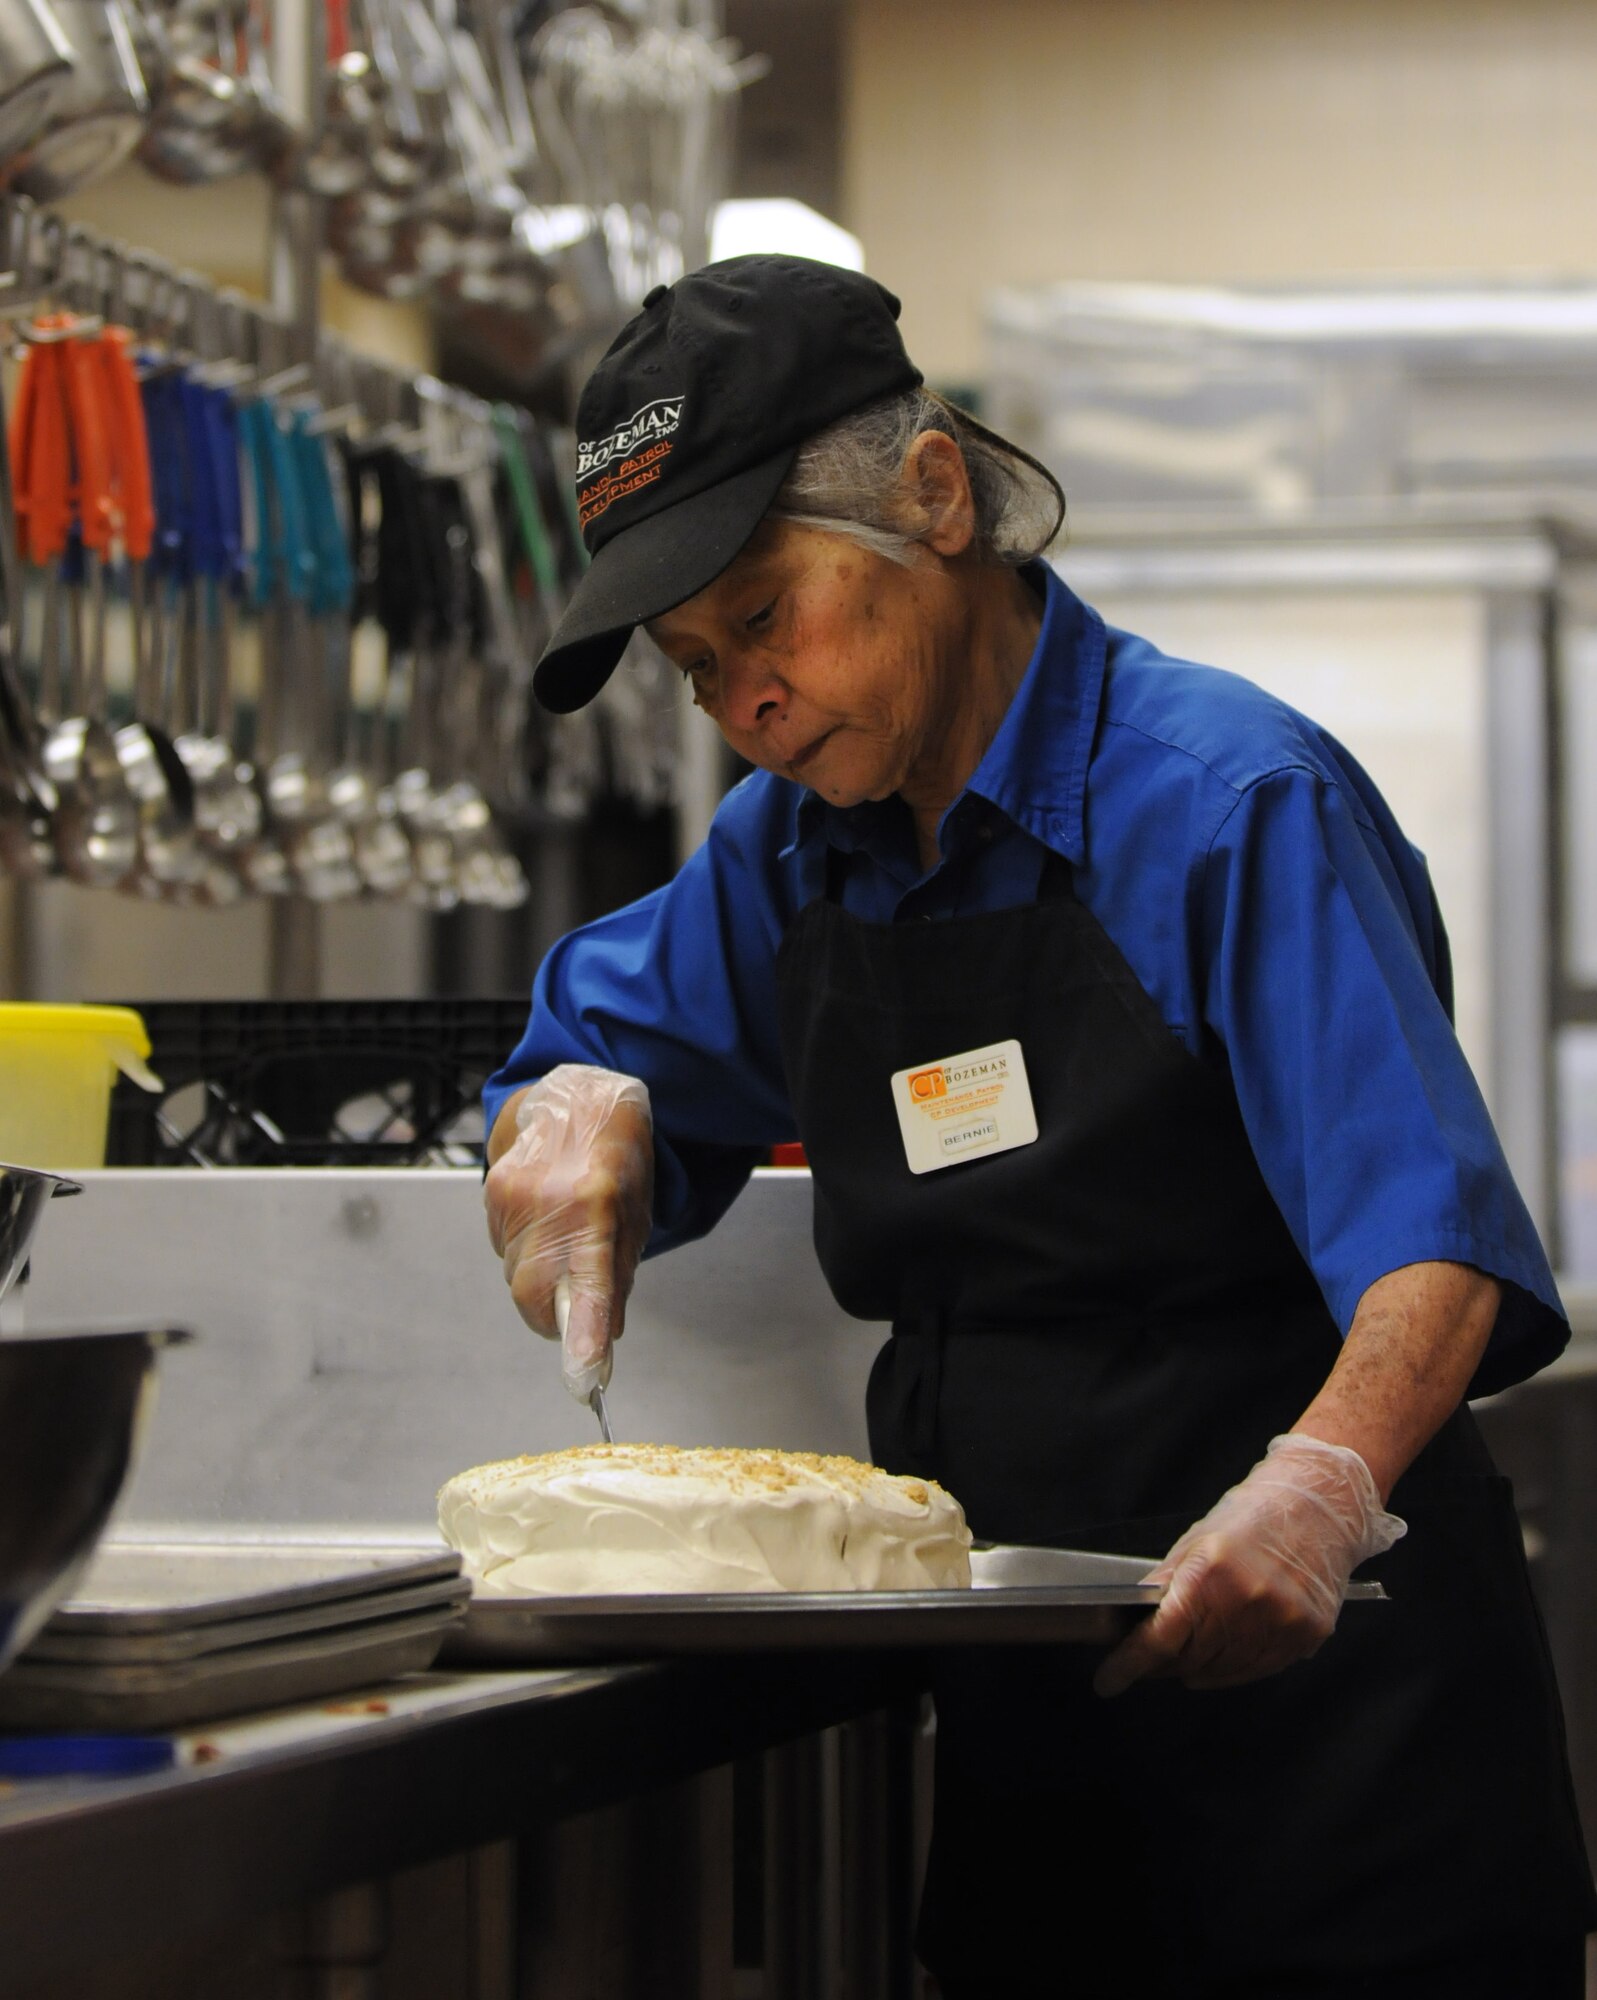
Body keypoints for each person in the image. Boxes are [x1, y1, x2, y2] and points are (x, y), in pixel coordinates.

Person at [482, 255, 1596, 1996]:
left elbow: (1431, 1239)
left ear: (933, 496)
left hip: (1338, 1753)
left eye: (765, 618)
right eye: (696, 669)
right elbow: (590, 1044)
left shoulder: (1224, 802)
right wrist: (564, 1118)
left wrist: (1314, 1493)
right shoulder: (794, 856)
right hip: (1032, 1743)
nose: (743, 705)